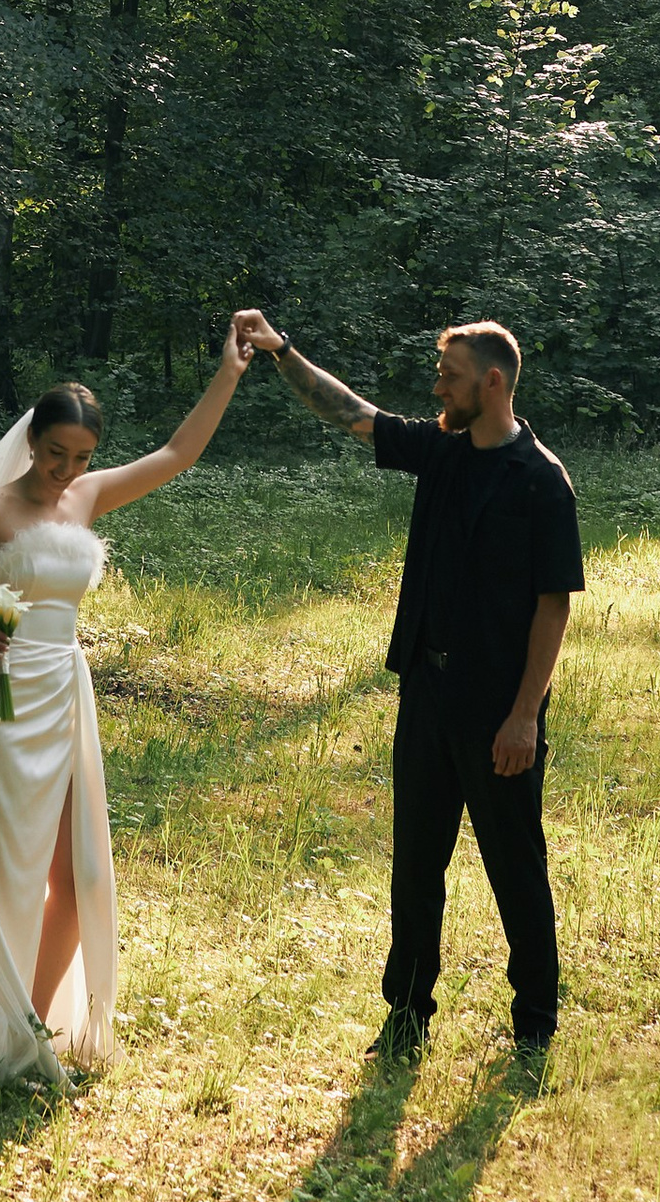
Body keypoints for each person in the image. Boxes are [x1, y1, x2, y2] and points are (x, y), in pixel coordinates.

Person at [0, 331, 254, 1087]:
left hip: (64, 692)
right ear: (32, 440)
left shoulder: (86, 498)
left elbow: (179, 453)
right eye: (56, 453)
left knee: (74, 870)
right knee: (5, 872)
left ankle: (30, 1022)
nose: (66, 471)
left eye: (81, 458)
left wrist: (227, 369)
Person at [233, 309, 582, 1060]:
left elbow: (553, 606)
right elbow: (353, 413)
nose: (437, 387)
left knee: (514, 865)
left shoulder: (542, 483)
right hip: (426, 693)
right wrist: (281, 350)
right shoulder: (442, 452)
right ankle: (407, 1018)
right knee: (417, 864)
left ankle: (535, 1025)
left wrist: (525, 716)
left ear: (491, 383)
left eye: (449, 377)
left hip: (499, 711)